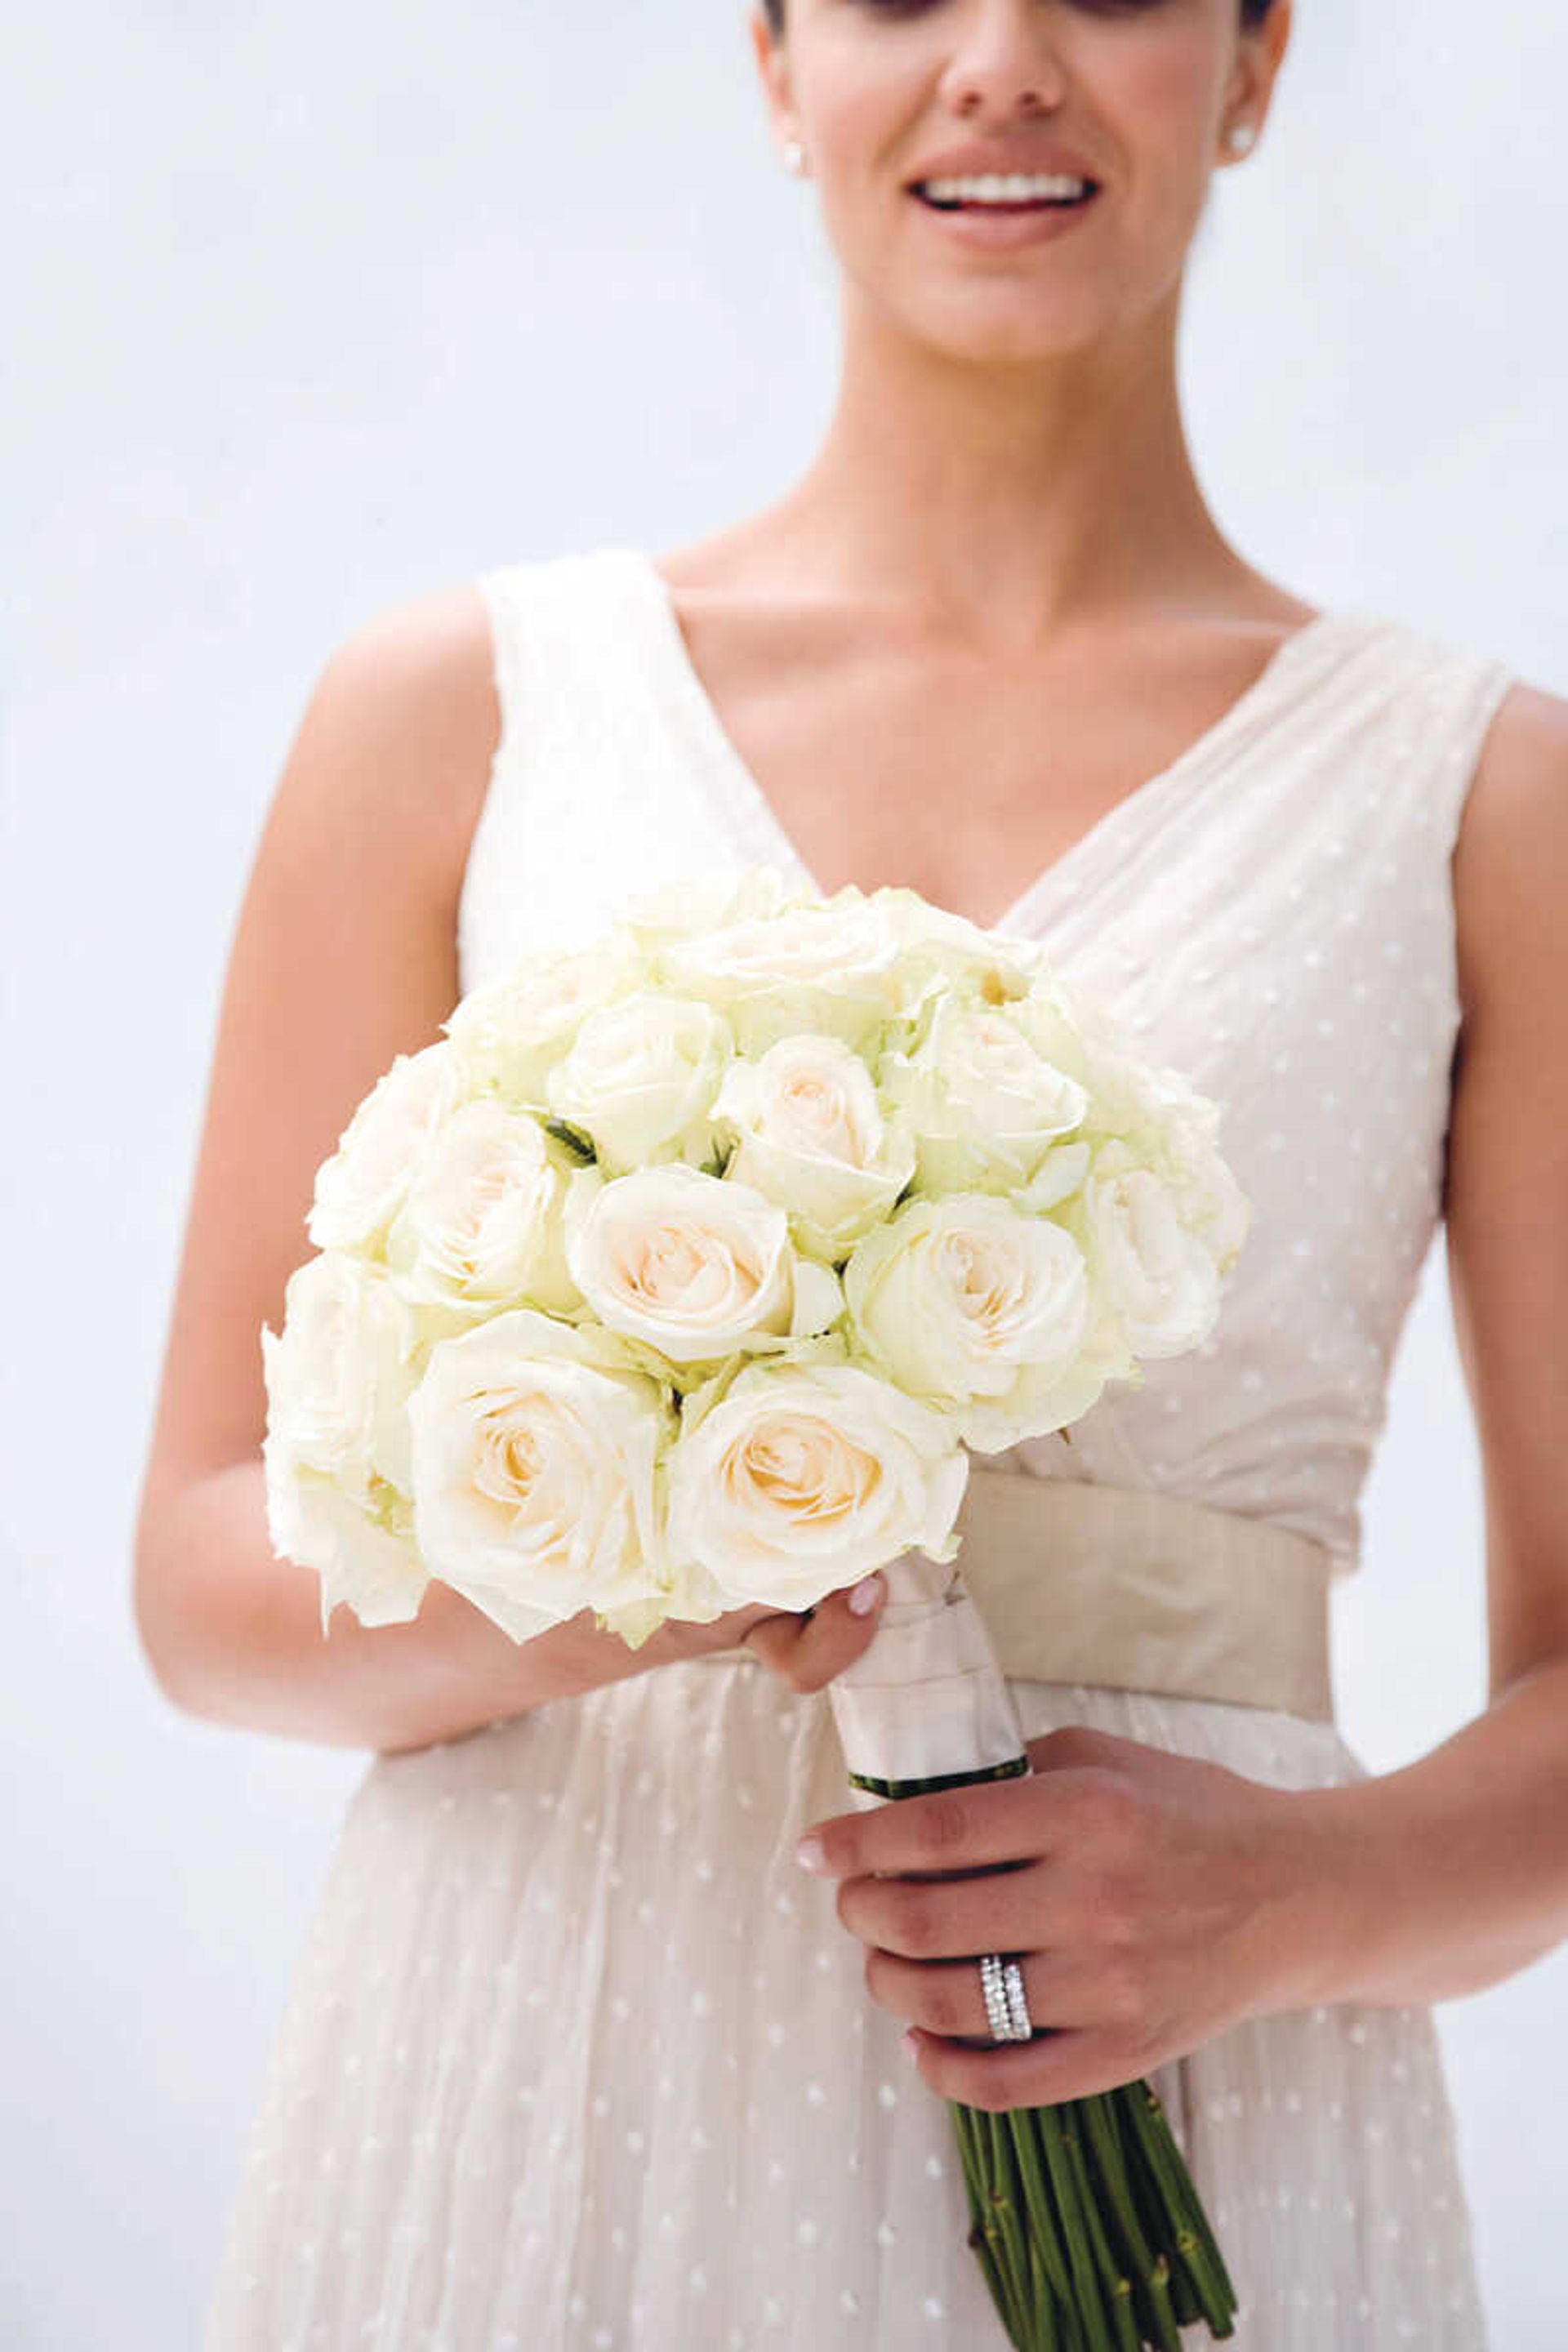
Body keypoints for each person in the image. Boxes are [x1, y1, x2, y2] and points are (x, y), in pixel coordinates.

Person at [133, 0, 1568, 2344]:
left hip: (1214, 2085)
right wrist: (655, 1548)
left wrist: (1287, 1903)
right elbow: (205, 1577)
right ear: (777, 61)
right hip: (539, 2068)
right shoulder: (454, 711)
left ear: (1258, 57)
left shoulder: (1487, 798)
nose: (1000, 62)